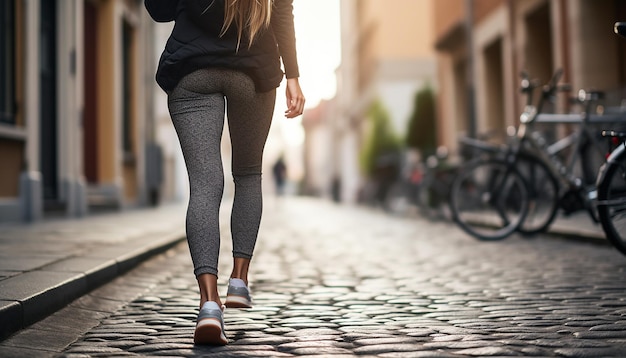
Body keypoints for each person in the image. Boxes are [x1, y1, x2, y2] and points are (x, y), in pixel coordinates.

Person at [145, 0, 305, 346]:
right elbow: (281, 14)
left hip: (192, 71)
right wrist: (292, 75)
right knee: (247, 175)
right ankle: (239, 281)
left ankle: (208, 304)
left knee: (204, 184)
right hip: (253, 72)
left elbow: (159, 10)